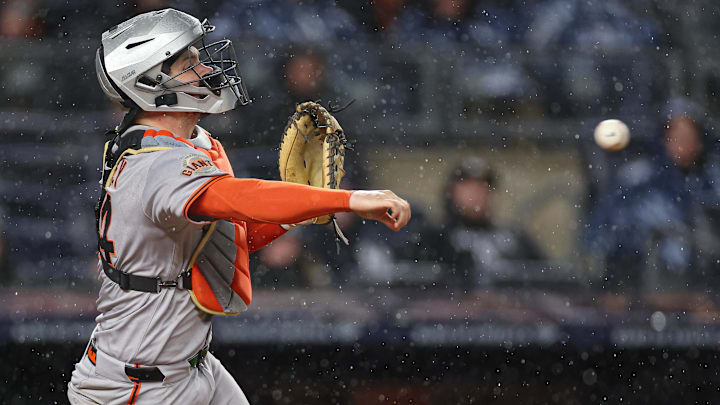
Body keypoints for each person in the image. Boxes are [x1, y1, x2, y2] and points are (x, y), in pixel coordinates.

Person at [67, 9, 410, 405]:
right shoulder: (155, 160)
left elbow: (236, 234)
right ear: (150, 83)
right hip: (139, 386)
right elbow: (239, 197)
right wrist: (348, 198)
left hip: (189, 366)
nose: (205, 67)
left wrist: (308, 202)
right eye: (187, 63)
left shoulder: (193, 141)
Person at [437, 157, 544, 288]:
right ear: (451, 191)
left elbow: (546, 277)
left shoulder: (514, 237)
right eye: (468, 186)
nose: (477, 193)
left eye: (483, 187)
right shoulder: (436, 237)